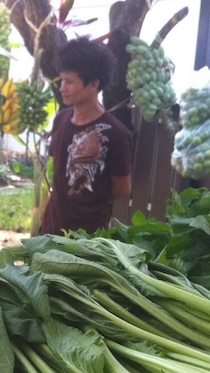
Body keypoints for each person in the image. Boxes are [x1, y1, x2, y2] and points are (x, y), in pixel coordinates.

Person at [39, 35, 133, 236]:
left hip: (89, 239)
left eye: (70, 82)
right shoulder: (61, 119)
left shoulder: (115, 133)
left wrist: (90, 197)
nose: (62, 88)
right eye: (62, 80)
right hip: (52, 231)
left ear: (93, 85)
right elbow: (57, 172)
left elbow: (122, 189)